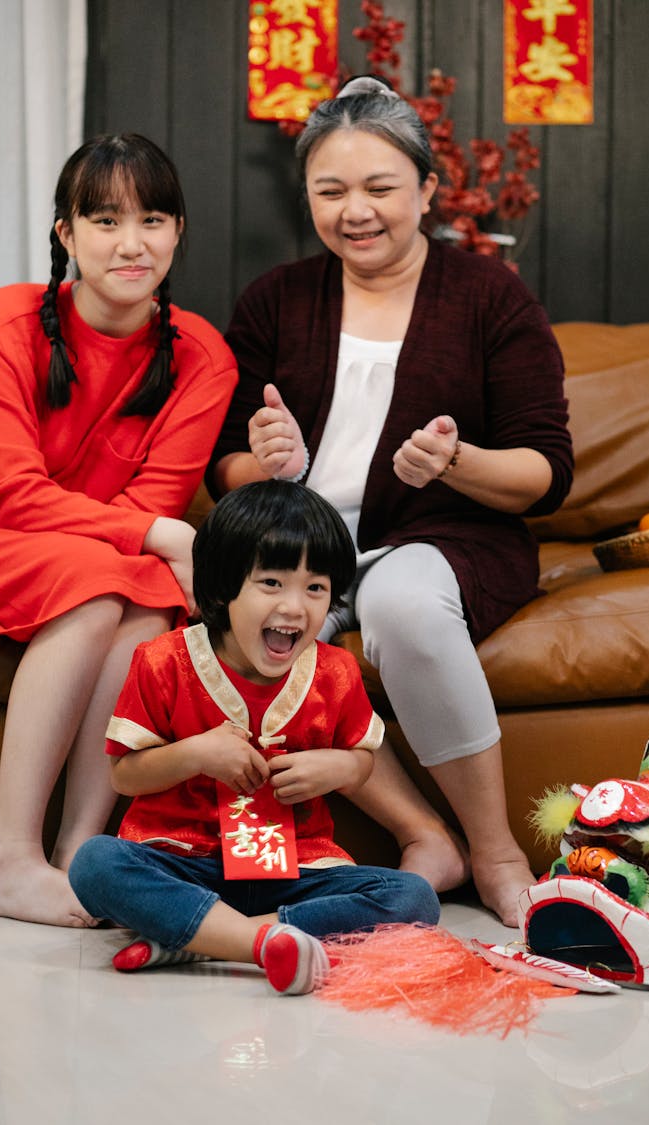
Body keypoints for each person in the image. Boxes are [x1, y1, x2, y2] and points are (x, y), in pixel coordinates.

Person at [207, 76, 574, 928]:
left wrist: (456, 462)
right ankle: (422, 836)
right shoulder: (276, 299)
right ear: (306, 197)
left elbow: (546, 473)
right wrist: (257, 466)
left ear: (427, 190)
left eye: (380, 188)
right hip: (300, 546)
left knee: (405, 604)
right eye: (331, 191)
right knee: (243, 643)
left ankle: (493, 851)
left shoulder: (490, 297)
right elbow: (220, 461)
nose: (355, 211)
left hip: (442, 537)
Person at [0, 133, 238, 927]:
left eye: (153, 219)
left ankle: (79, 852)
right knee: (106, 577)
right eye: (104, 220)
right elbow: (8, 490)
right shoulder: (2, 322)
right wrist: (158, 535)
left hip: (84, 550)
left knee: (139, 595)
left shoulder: (204, 358)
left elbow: (155, 497)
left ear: (179, 232)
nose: (130, 243)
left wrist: (154, 534)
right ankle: (10, 860)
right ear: (66, 234)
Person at [68, 480, 440, 994]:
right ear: (222, 588)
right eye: (272, 583)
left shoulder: (335, 672)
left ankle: (201, 938)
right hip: (183, 863)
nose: (295, 607)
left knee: (414, 897)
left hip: (296, 872)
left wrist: (340, 767)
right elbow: (124, 774)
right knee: (94, 865)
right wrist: (196, 753)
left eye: (315, 588)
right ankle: (257, 941)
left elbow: (361, 758)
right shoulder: (163, 661)